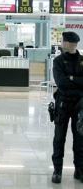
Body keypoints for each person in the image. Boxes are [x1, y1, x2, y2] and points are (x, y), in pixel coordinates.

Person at [52, 31, 83, 183]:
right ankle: (57, 170)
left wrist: (70, 78)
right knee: (59, 138)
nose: (62, 43)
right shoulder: (58, 61)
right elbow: (60, 82)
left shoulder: (82, 60)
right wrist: (77, 80)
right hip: (63, 103)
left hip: (80, 105)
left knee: (80, 138)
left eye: (65, 41)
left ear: (73, 44)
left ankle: (79, 170)